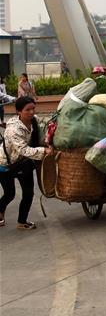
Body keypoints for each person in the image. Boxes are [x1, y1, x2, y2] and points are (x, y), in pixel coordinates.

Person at [0, 96, 52, 230]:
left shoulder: (33, 122)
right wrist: (44, 151)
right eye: (27, 110)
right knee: (9, 194)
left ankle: (22, 222)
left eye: (33, 108)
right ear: (18, 111)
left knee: (28, 193)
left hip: (23, 163)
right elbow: (23, 150)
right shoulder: (13, 129)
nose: (31, 112)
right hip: (4, 164)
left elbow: (42, 136)